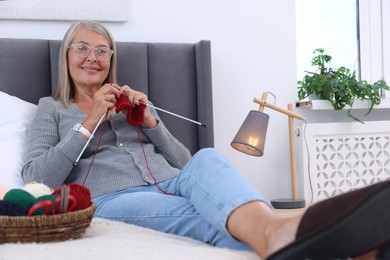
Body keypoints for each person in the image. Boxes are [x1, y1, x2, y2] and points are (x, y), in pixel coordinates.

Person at [22, 20, 390, 259]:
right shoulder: (50, 108)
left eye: (102, 50)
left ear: (111, 59)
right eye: (83, 48)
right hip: (113, 199)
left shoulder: (127, 102)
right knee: (202, 217)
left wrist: (152, 123)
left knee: (209, 158)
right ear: (66, 56)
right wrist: (88, 122)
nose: (93, 57)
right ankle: (323, 242)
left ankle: (286, 235)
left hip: (173, 182)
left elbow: (186, 164)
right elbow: (37, 179)